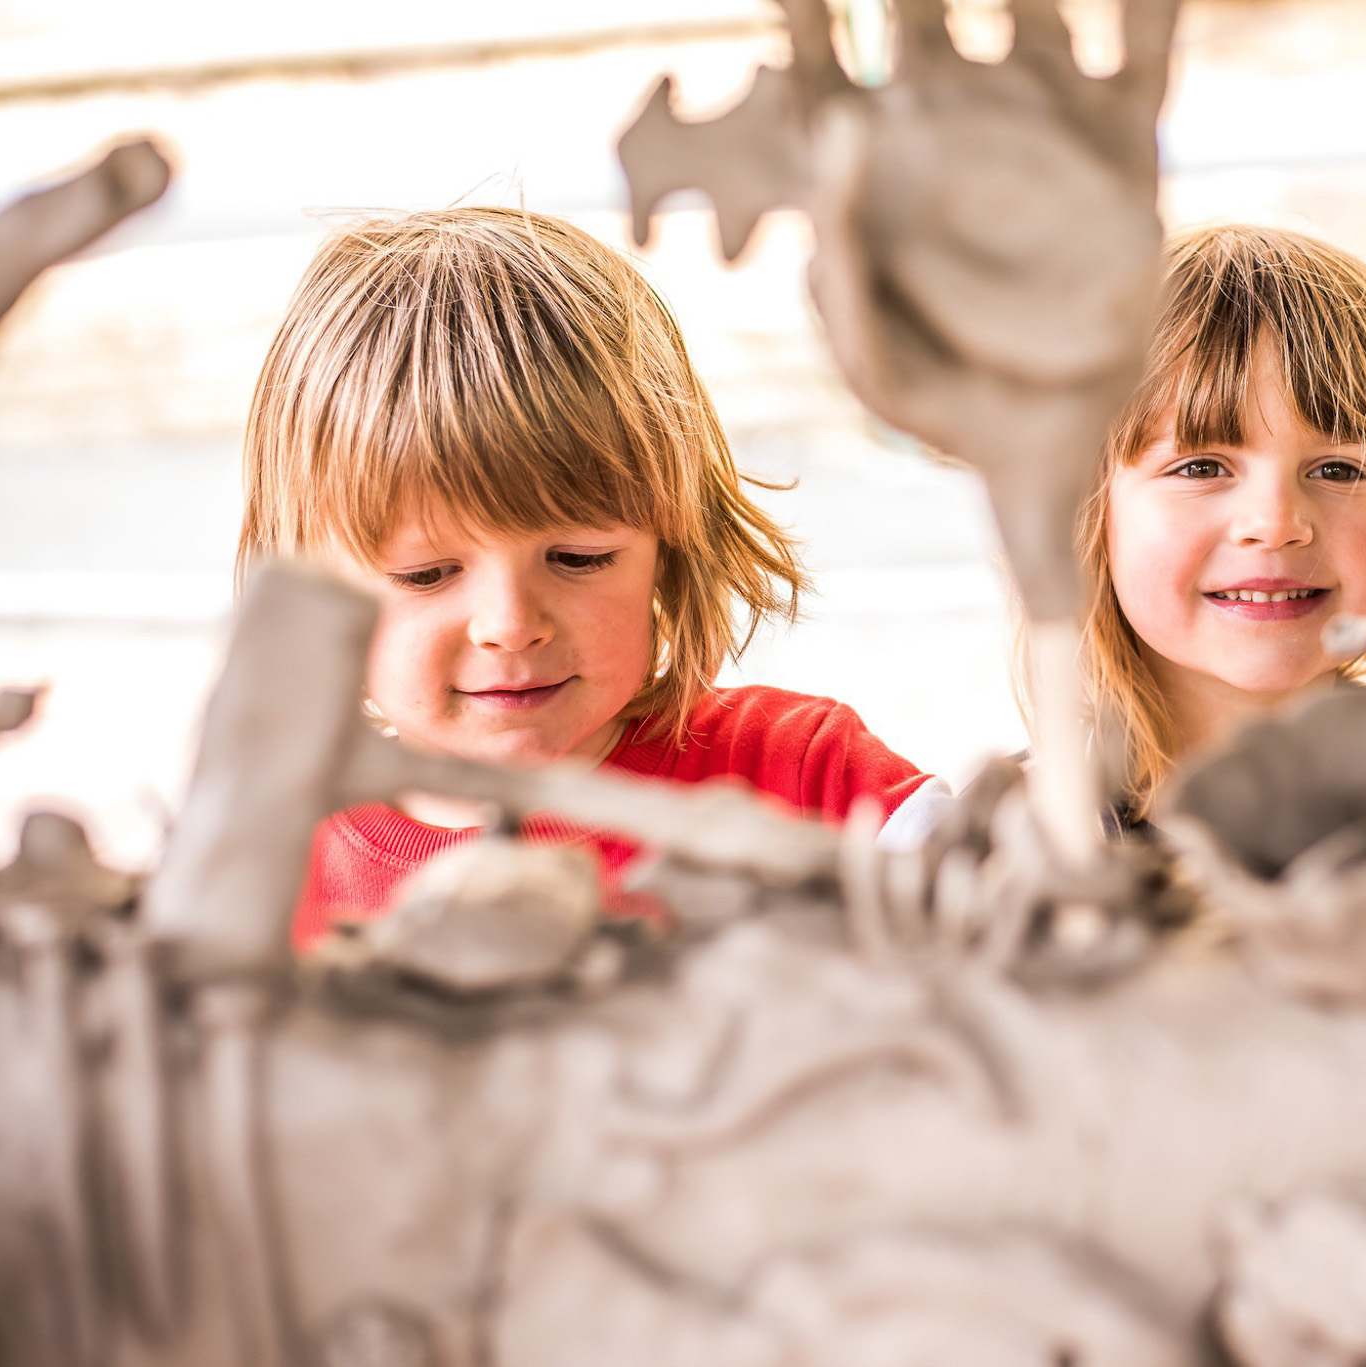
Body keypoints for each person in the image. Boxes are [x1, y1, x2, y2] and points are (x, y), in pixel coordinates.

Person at [238, 207, 945, 945]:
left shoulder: (807, 782)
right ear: (312, 597)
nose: (510, 622)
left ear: (669, 549)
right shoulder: (265, 872)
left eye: (579, 558)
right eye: (426, 574)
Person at [1078, 223, 1366, 824]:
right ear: (1089, 511)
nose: (1275, 524)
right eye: (1200, 466)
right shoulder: (1004, 853)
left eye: (1337, 470)